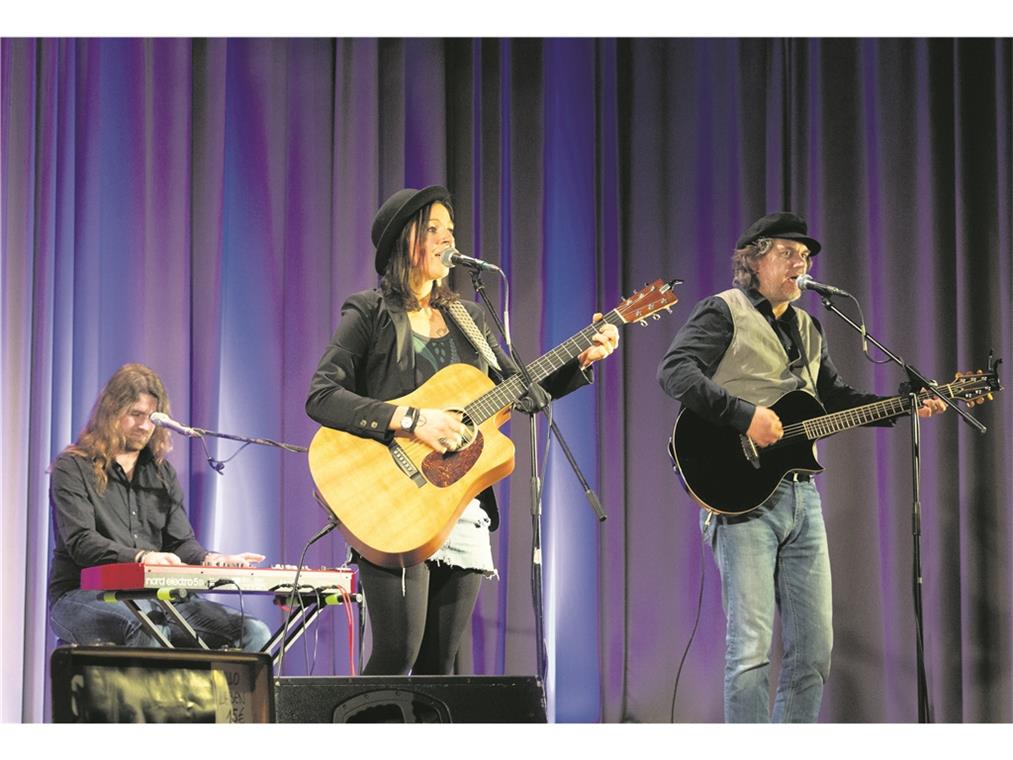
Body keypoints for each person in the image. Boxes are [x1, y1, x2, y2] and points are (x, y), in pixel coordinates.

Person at [305, 185, 619, 675]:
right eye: (433, 229)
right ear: (403, 241)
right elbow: (322, 395)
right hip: (393, 502)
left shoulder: (468, 318)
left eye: (450, 231)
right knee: (396, 655)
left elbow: (520, 392)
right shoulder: (368, 312)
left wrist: (581, 358)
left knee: (441, 666)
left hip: (460, 505)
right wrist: (414, 420)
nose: (446, 240)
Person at [657, 212, 945, 722]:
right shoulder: (723, 311)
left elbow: (833, 400)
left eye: (805, 257)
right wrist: (745, 417)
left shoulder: (810, 326)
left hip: (800, 496)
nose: (801, 263)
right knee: (749, 650)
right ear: (754, 258)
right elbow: (675, 371)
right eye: (789, 253)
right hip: (739, 496)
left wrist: (904, 402)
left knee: (813, 650)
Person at [48, 363, 272, 651]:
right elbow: (81, 543)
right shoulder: (73, 467)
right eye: (135, 415)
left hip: (159, 598)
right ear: (111, 413)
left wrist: (211, 560)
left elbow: (180, 543)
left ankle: (218, 699)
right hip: (84, 596)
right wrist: (142, 556)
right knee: (149, 625)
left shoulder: (160, 473)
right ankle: (151, 699)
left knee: (254, 632)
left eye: (151, 417)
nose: (144, 426)